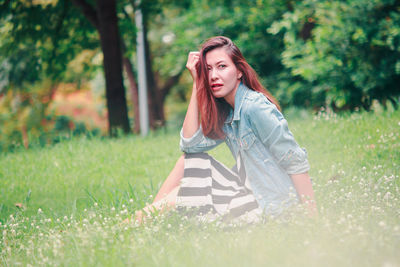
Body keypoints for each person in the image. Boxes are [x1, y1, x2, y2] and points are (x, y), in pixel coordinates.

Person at [135, 36, 316, 223]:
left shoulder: (255, 107)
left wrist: (311, 220)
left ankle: (134, 223)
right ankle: (148, 220)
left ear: (239, 71)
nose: (213, 76)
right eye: (208, 70)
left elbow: (295, 160)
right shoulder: (228, 114)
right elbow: (189, 146)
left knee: (180, 193)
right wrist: (197, 82)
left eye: (222, 66)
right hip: (251, 194)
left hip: (273, 206)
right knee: (186, 161)